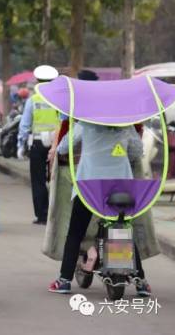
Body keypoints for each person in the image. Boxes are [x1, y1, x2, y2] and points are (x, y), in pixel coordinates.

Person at [48, 119, 151, 296]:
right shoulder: (125, 125)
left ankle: (64, 280)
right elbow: (137, 152)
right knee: (125, 230)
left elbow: (63, 148)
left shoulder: (85, 124)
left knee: (75, 233)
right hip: (121, 187)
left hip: (90, 188)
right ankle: (141, 282)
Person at [17, 65, 60, 224]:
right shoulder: (59, 100)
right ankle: (55, 216)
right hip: (57, 145)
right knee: (57, 181)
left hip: (37, 144)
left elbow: (24, 125)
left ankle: (42, 216)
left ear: (37, 81)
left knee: (38, 181)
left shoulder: (33, 100)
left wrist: (20, 145)